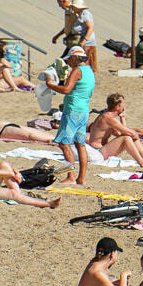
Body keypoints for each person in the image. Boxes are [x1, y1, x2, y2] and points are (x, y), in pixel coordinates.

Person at [46, 46, 95, 185]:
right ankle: (81, 178)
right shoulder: (89, 70)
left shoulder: (77, 70)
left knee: (64, 143)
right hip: (84, 110)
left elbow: (67, 89)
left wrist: (51, 85)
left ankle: (71, 176)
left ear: (75, 57)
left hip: (73, 110)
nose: (69, 63)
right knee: (81, 144)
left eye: (70, 59)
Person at [86, 94, 143, 165]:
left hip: (101, 150)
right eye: (123, 104)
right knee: (127, 138)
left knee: (128, 137)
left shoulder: (107, 117)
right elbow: (129, 134)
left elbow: (122, 134)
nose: (124, 106)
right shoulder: (109, 118)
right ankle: (142, 162)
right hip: (97, 152)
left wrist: (122, 118)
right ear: (118, 106)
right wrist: (135, 135)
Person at [69, 0, 98, 73]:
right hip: (85, 42)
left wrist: (84, 40)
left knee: (84, 62)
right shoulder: (82, 14)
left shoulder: (85, 14)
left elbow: (90, 27)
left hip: (87, 43)